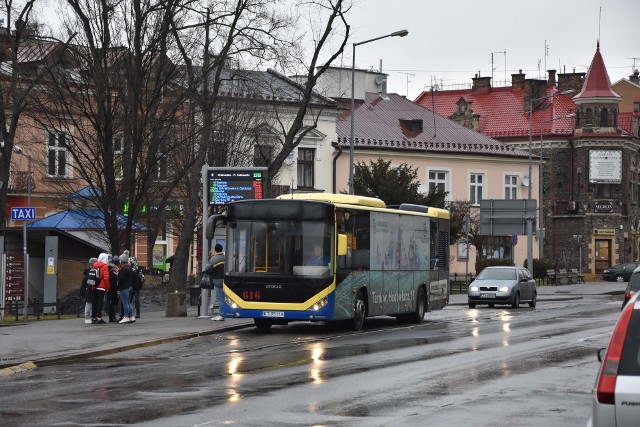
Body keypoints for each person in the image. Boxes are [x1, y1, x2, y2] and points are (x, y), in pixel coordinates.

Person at [205, 244, 225, 321]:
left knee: (219, 298)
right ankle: (221, 314)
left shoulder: (214, 258)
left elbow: (207, 269)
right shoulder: (225, 257)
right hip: (225, 280)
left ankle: (221, 315)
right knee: (223, 298)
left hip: (218, 280)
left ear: (215, 249)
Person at [116, 251, 136, 324]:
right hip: (130, 287)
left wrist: (118, 285)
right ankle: (132, 316)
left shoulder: (123, 269)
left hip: (124, 288)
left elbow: (121, 279)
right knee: (128, 302)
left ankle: (126, 316)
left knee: (125, 303)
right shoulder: (129, 268)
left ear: (122, 261)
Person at [92, 253, 111, 324]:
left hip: (94, 286)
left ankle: (93, 317)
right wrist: (108, 287)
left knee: (94, 302)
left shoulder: (94, 265)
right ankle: (99, 317)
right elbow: (106, 278)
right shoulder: (105, 266)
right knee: (100, 302)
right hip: (101, 287)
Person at [80, 257, 98, 324]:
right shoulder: (90, 271)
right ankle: (87, 317)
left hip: (90, 289)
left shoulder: (91, 271)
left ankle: (90, 316)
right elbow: (89, 281)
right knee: (89, 303)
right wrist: (96, 282)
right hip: (90, 289)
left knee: (91, 303)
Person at [107, 255, 120, 322]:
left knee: (111, 303)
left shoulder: (108, 269)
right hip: (113, 289)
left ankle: (111, 317)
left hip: (109, 288)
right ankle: (112, 317)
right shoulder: (114, 271)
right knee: (113, 303)